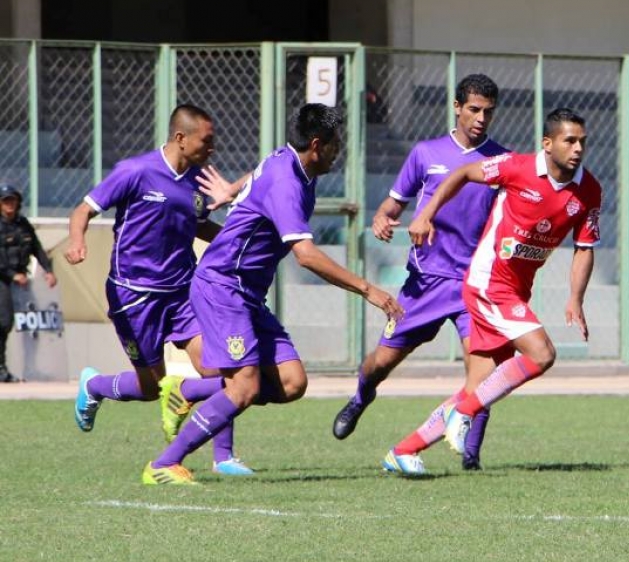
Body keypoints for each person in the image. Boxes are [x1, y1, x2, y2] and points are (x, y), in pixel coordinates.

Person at [142, 103, 403, 485]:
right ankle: (164, 463)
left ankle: (189, 391)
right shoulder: (287, 182)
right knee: (244, 385)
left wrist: (234, 189)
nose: (338, 150)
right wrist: (369, 290)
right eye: (335, 144)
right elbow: (306, 255)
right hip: (223, 286)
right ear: (316, 145)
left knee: (292, 383)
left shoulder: (288, 160)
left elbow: (260, 172)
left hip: (246, 294)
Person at [381, 108, 602, 475]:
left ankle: (404, 451)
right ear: (547, 144)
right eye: (569, 140)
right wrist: (427, 214)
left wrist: (575, 298)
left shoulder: (589, 190)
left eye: (582, 141)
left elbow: (584, 248)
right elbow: (465, 171)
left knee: (478, 386)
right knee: (542, 353)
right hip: (488, 282)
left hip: (516, 290)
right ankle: (464, 416)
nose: (578, 148)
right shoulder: (516, 167)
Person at [331, 74, 508, 470]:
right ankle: (360, 398)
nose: (481, 118)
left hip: (472, 285)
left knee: (483, 377)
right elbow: (391, 206)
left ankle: (472, 458)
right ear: (458, 107)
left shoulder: (501, 161)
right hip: (425, 283)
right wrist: (380, 219)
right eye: (475, 110)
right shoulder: (427, 154)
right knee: (379, 364)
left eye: (488, 112)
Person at [67, 104, 254, 476]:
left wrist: (237, 244)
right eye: (207, 140)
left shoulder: (198, 179)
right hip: (134, 295)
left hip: (184, 291)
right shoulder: (135, 171)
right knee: (151, 387)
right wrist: (77, 241)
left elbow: (198, 225)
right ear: (181, 138)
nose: (213, 148)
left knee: (223, 370)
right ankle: (96, 386)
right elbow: (83, 211)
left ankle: (224, 457)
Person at [0, 184, 57, 383]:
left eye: (12, 200)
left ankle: (31, 368)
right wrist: (11, 275)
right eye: (5, 201)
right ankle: (1, 369)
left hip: (23, 283)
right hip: (3, 282)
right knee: (3, 323)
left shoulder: (23, 224)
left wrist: (49, 271)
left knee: (32, 324)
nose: (10, 205)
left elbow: (37, 249)